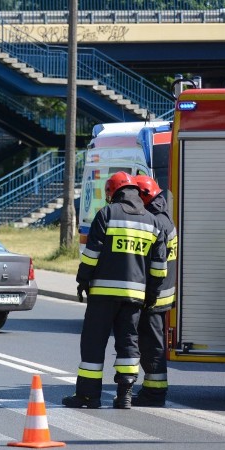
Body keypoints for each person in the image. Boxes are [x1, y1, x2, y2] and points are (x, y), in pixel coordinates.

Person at [62, 172, 167, 410]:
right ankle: (125, 395)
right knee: (129, 344)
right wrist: (151, 294)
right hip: (134, 298)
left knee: (93, 343)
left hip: (103, 295)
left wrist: (82, 281)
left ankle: (89, 396)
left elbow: (91, 255)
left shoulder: (107, 214)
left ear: (113, 192)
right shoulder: (153, 222)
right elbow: (158, 267)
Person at [132, 175, 177, 407]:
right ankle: (151, 390)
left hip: (155, 295)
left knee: (152, 345)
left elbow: (153, 264)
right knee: (152, 343)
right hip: (163, 293)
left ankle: (155, 393)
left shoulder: (156, 222)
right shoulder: (165, 218)